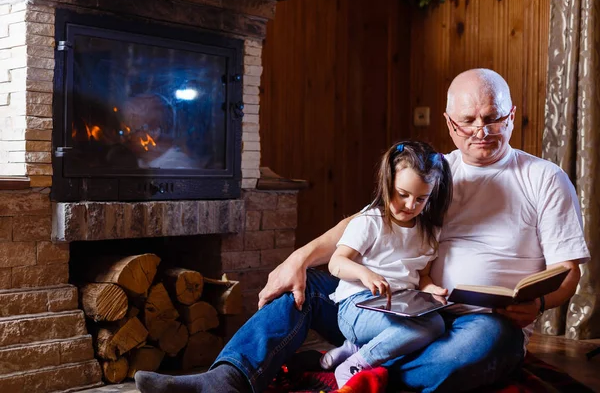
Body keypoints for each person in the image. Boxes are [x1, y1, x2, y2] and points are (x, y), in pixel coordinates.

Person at [135, 68, 590, 393]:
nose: (481, 131)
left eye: (492, 118)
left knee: (490, 344)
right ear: (451, 124)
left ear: (512, 114)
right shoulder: (433, 172)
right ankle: (226, 379)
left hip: (479, 321)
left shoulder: (543, 178)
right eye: (468, 121)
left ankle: (361, 381)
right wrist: (296, 259)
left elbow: (568, 270)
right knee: (308, 286)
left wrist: (540, 304)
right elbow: (361, 223)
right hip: (394, 306)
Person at [323, 141, 453, 387]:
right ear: (388, 182)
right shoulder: (371, 221)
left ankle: (354, 348)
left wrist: (430, 289)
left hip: (399, 307)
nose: (410, 205)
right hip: (358, 306)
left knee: (436, 322)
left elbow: (422, 275)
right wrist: (365, 274)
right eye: (402, 194)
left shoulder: (429, 232)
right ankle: (356, 364)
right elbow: (335, 263)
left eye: (421, 199)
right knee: (428, 328)